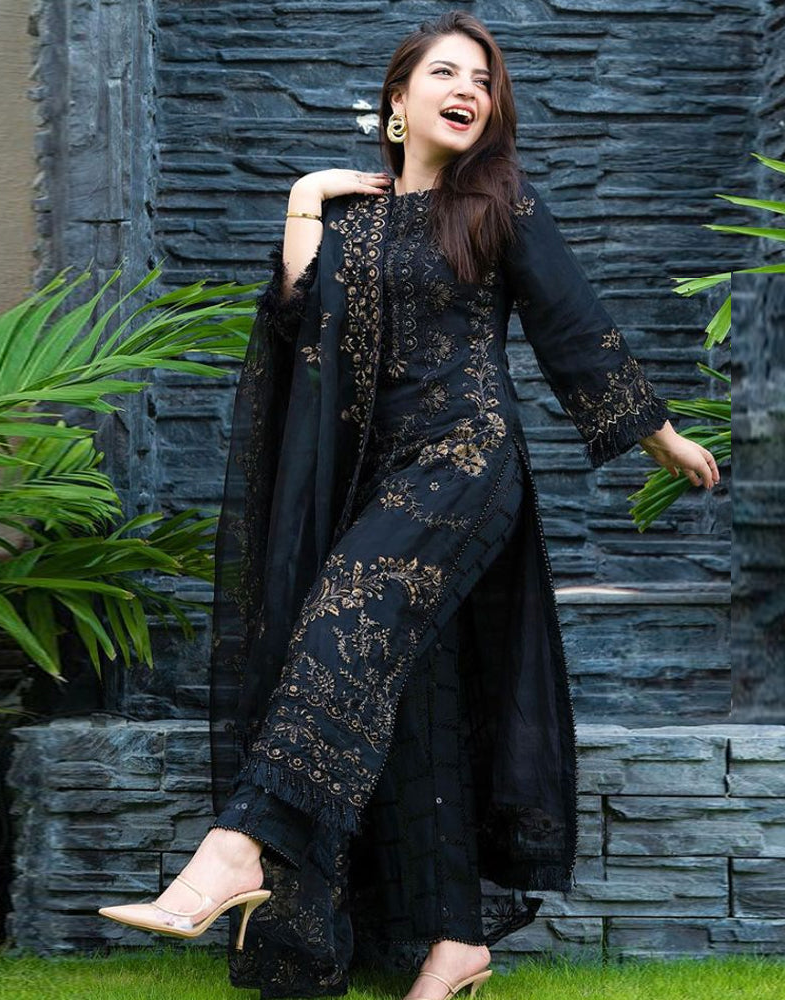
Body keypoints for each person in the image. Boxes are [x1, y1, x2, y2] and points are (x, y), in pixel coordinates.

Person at [98, 11, 720, 999]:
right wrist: (303, 202)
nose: (468, 89)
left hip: (466, 462)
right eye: (445, 73)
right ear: (397, 99)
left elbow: (573, 324)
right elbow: (296, 336)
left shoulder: (498, 203)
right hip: (375, 478)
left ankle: (239, 846)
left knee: (338, 625)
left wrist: (662, 437)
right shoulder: (347, 217)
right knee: (417, 696)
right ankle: (453, 942)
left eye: (483, 79)